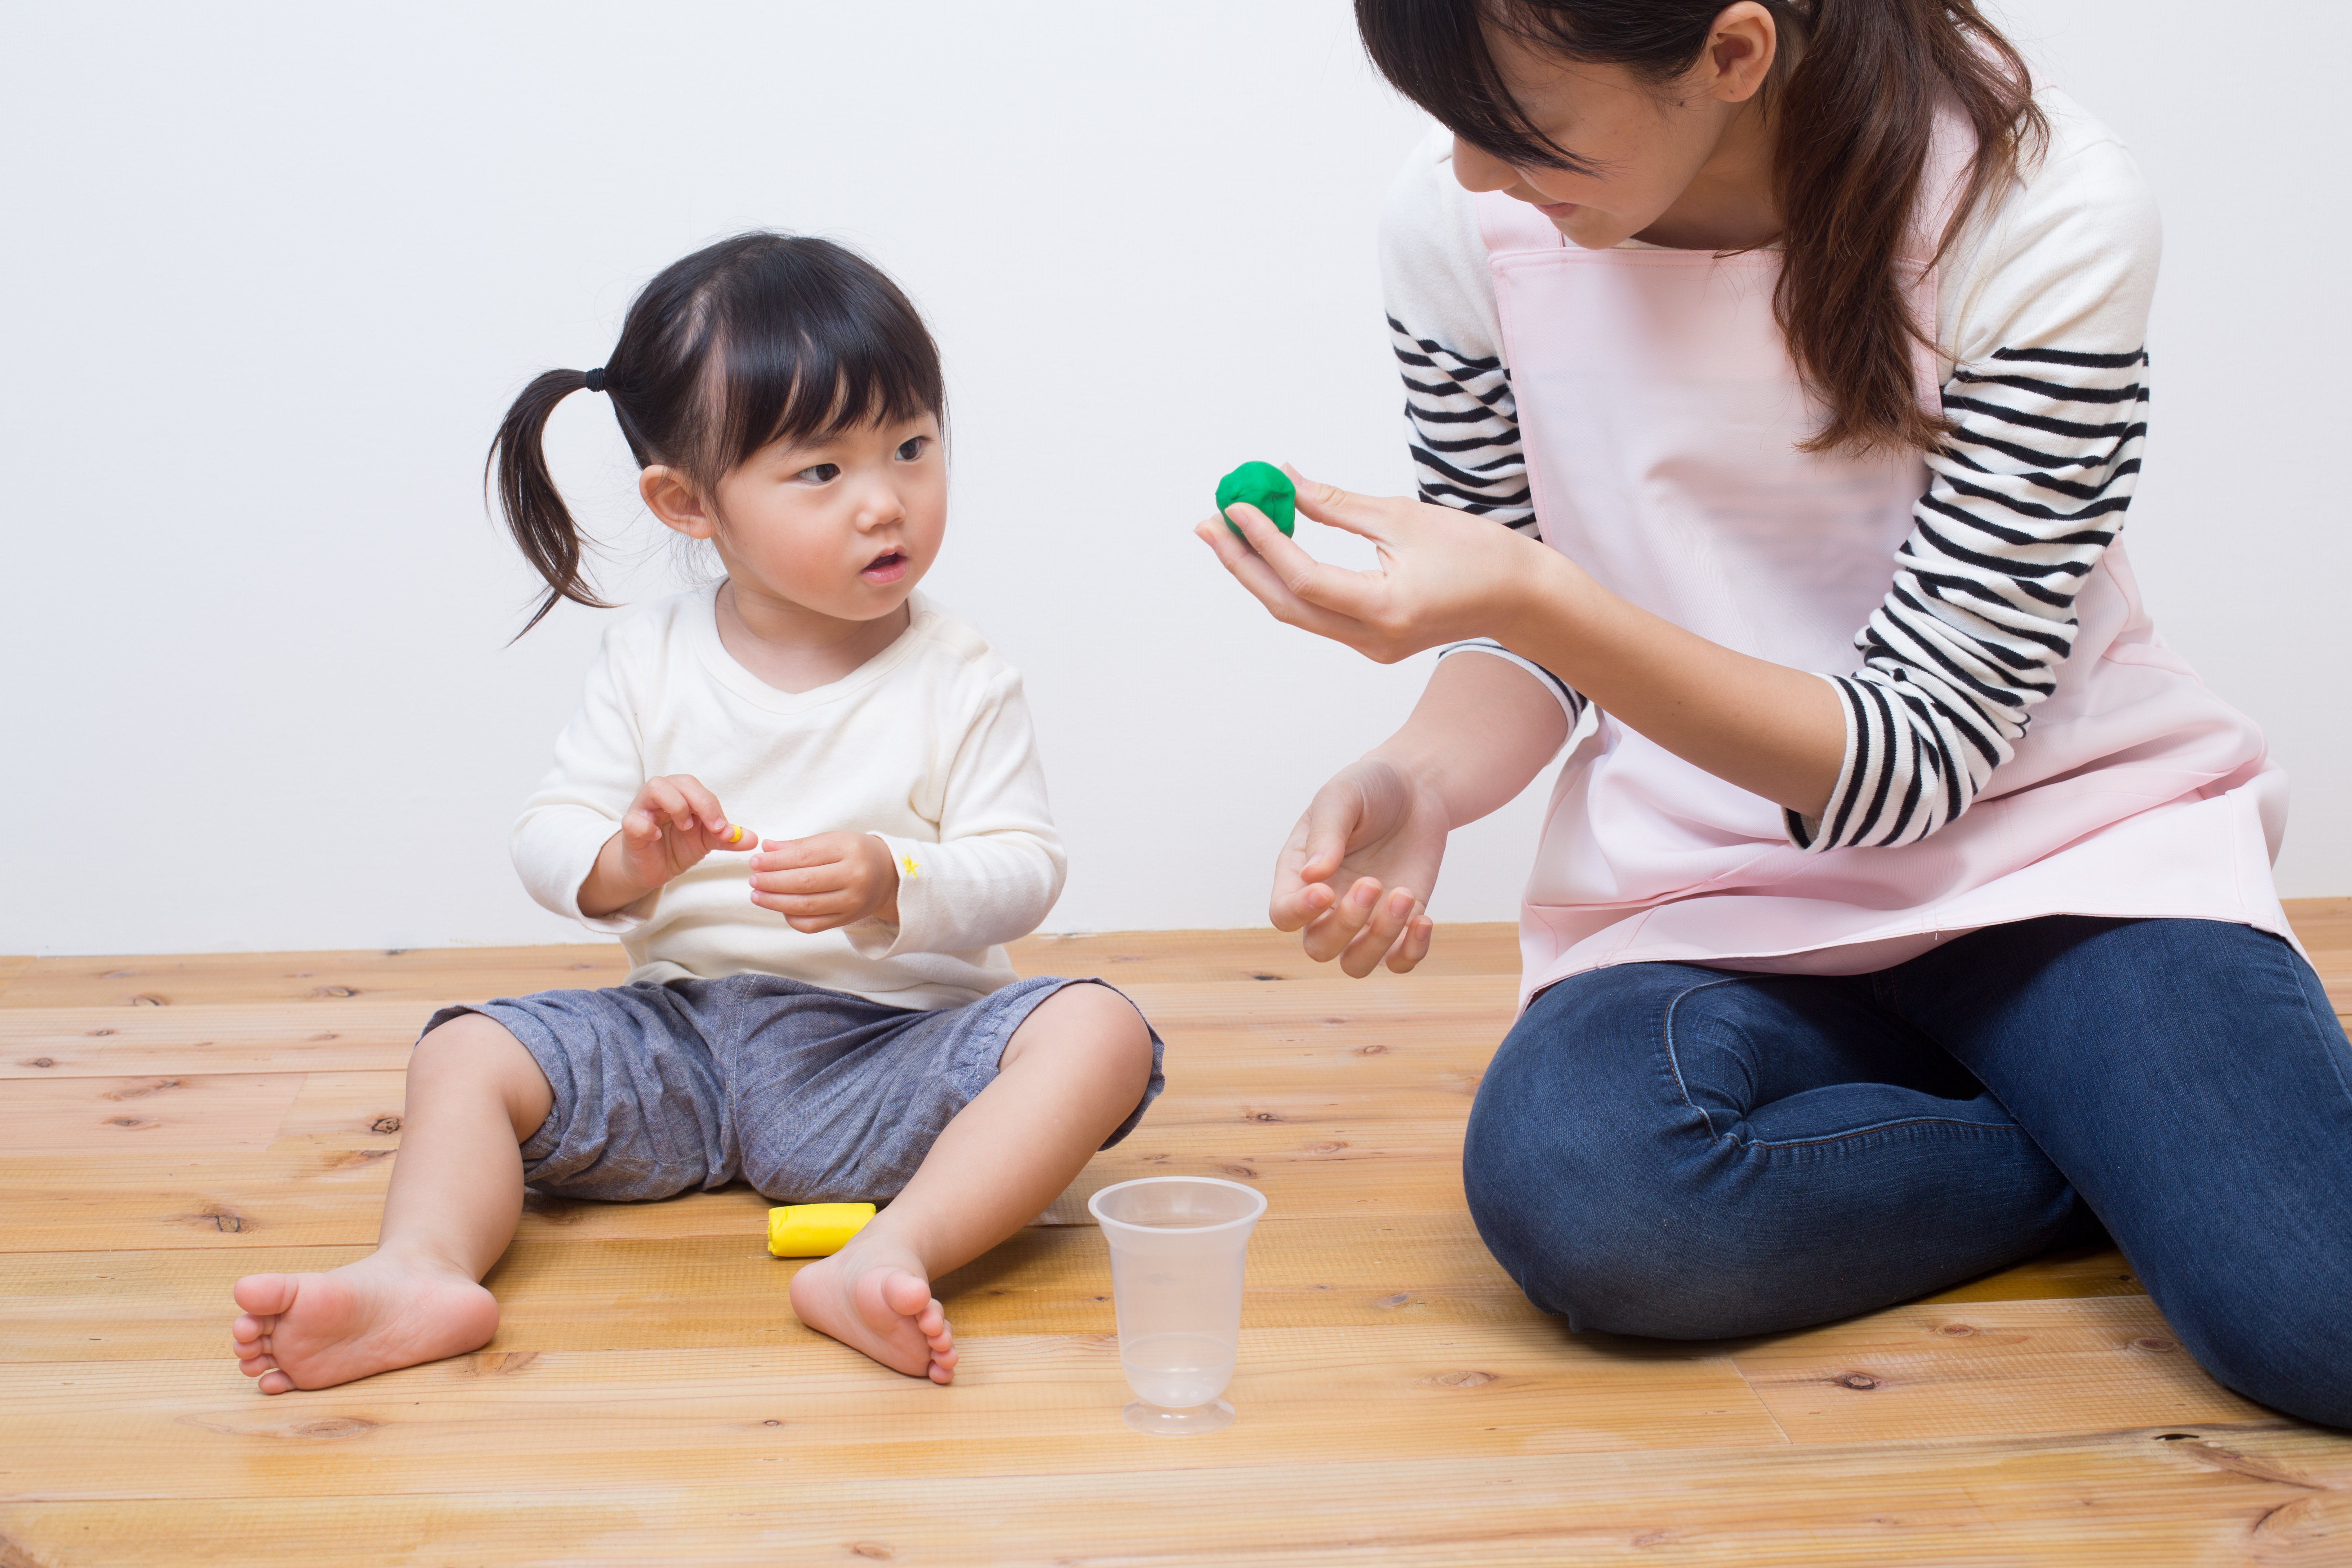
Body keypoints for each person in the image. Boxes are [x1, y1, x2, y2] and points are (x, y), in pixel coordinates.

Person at [1198, 0, 2350, 1427]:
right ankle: (2111, 1145)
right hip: (1717, 895)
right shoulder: (1455, 232)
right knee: (1589, 1188)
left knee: (2322, 1317)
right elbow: (1530, 651)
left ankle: (2134, 1126)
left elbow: (1918, 756)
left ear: (1733, 55)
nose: (1476, 174)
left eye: (1519, 127)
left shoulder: (2042, 208)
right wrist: (1422, 781)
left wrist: (1538, 600)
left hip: (2067, 870)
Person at [231, 234, 1163, 1393]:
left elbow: (1025, 868)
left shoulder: (960, 675)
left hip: (885, 1054)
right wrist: (629, 860)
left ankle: (888, 1254)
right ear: (687, 504)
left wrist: (895, 881)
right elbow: (546, 839)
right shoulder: (647, 661)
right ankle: (421, 1270)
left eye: (913, 447)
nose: (887, 502)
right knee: (467, 1048)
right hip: (678, 1042)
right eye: (822, 473)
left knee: (1101, 1031)